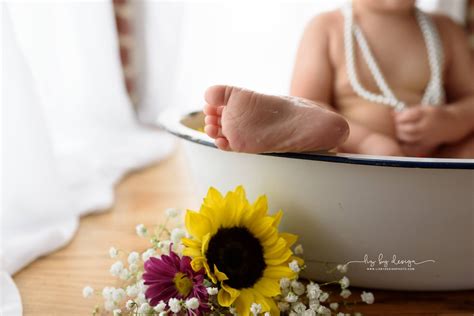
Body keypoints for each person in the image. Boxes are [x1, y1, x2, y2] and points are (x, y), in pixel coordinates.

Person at [204, 0, 474, 158]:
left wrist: (450, 121)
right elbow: (309, 101)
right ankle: (274, 120)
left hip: (439, 159)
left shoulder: (446, 30)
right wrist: (367, 140)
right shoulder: (328, 28)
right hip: (351, 155)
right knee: (315, 118)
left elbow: (470, 98)